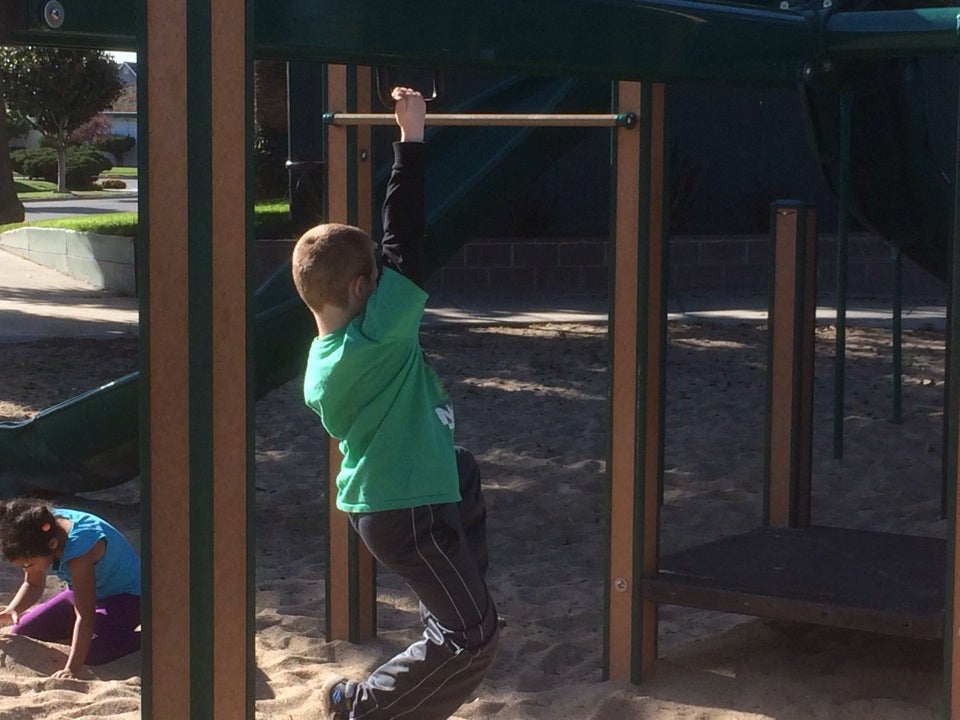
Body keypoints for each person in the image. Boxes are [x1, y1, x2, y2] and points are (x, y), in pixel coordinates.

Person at [291, 86, 499, 720]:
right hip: (408, 510)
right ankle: (358, 707)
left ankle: (461, 607)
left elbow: (390, 258)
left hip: (402, 498)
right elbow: (402, 236)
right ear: (361, 287)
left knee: (463, 467)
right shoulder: (379, 337)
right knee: (472, 639)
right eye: (377, 282)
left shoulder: (321, 362)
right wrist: (411, 138)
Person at [0, 497, 141, 678]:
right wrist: (13, 608)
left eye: (28, 563)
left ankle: (146, 637)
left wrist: (71, 669)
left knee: (92, 652)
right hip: (83, 591)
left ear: (52, 545)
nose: (27, 569)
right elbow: (33, 583)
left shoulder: (79, 553)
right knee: (23, 630)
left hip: (128, 597)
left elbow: (85, 614)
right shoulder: (41, 528)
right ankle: (100, 628)